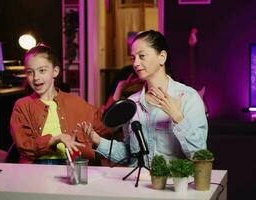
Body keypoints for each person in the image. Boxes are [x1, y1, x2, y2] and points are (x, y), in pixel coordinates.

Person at [81, 30, 208, 167]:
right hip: (137, 186)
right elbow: (130, 155)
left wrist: (178, 118)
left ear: (162, 57)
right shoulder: (132, 103)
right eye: (133, 58)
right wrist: (98, 140)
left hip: (172, 186)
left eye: (142, 56)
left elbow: (200, 155)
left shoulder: (188, 98)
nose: (135, 63)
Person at [10, 43, 110, 165]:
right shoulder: (22, 106)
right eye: (30, 72)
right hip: (38, 166)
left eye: (42, 70)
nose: (36, 77)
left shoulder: (74, 101)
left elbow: (102, 123)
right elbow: (24, 145)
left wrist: (118, 94)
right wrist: (54, 139)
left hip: (72, 164)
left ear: (55, 71)